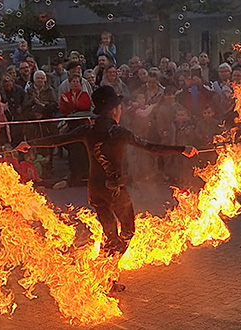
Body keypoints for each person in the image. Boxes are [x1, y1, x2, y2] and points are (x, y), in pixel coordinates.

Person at [16, 86, 198, 253]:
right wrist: (182, 149)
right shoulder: (120, 133)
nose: (120, 111)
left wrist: (29, 144)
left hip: (94, 190)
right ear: (113, 110)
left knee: (111, 235)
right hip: (115, 190)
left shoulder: (88, 130)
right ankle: (108, 269)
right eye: (119, 108)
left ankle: (105, 276)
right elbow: (151, 147)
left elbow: (57, 139)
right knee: (127, 231)